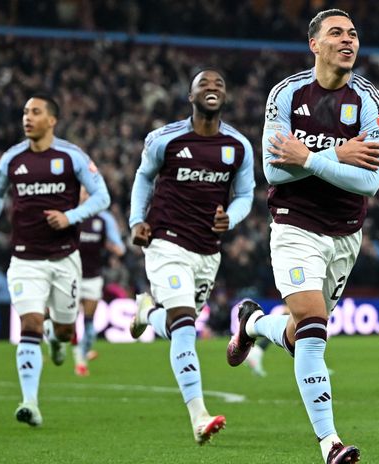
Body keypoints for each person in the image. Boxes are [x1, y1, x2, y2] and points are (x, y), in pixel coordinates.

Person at [226, 9, 379, 463]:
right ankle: (330, 443)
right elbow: (273, 168)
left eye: (354, 33)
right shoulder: (286, 94)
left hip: (345, 232)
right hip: (294, 222)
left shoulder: (372, 102)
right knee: (315, 328)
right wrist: (338, 152)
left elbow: (369, 183)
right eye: (336, 32)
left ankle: (252, 324)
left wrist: (311, 157)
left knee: (301, 334)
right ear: (314, 43)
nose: (348, 40)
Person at [127, 68, 255, 445]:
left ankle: (146, 314)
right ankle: (199, 415)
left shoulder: (239, 147)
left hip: (206, 251)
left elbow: (246, 195)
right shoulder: (165, 139)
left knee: (179, 325)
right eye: (204, 84)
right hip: (165, 242)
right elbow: (142, 179)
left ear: (225, 97)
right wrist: (137, 220)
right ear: (190, 95)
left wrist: (230, 217)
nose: (212, 88)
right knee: (184, 326)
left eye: (219, 84)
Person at [0, 94, 110, 427]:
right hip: (25, 259)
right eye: (24, 112)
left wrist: (70, 217)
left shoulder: (72, 156)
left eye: (35, 112)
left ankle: (57, 338)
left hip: (65, 259)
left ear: (51, 120)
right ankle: (30, 402)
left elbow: (102, 196)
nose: (27, 117)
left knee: (64, 331)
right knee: (30, 324)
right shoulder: (12, 158)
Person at [73, 187, 126, 377]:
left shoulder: (101, 220)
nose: (85, 196)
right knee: (67, 320)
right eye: (82, 192)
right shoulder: (69, 217)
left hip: (93, 276)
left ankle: (81, 356)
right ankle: (70, 351)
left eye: (88, 193)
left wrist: (115, 248)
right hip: (70, 276)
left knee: (88, 321)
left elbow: (115, 244)